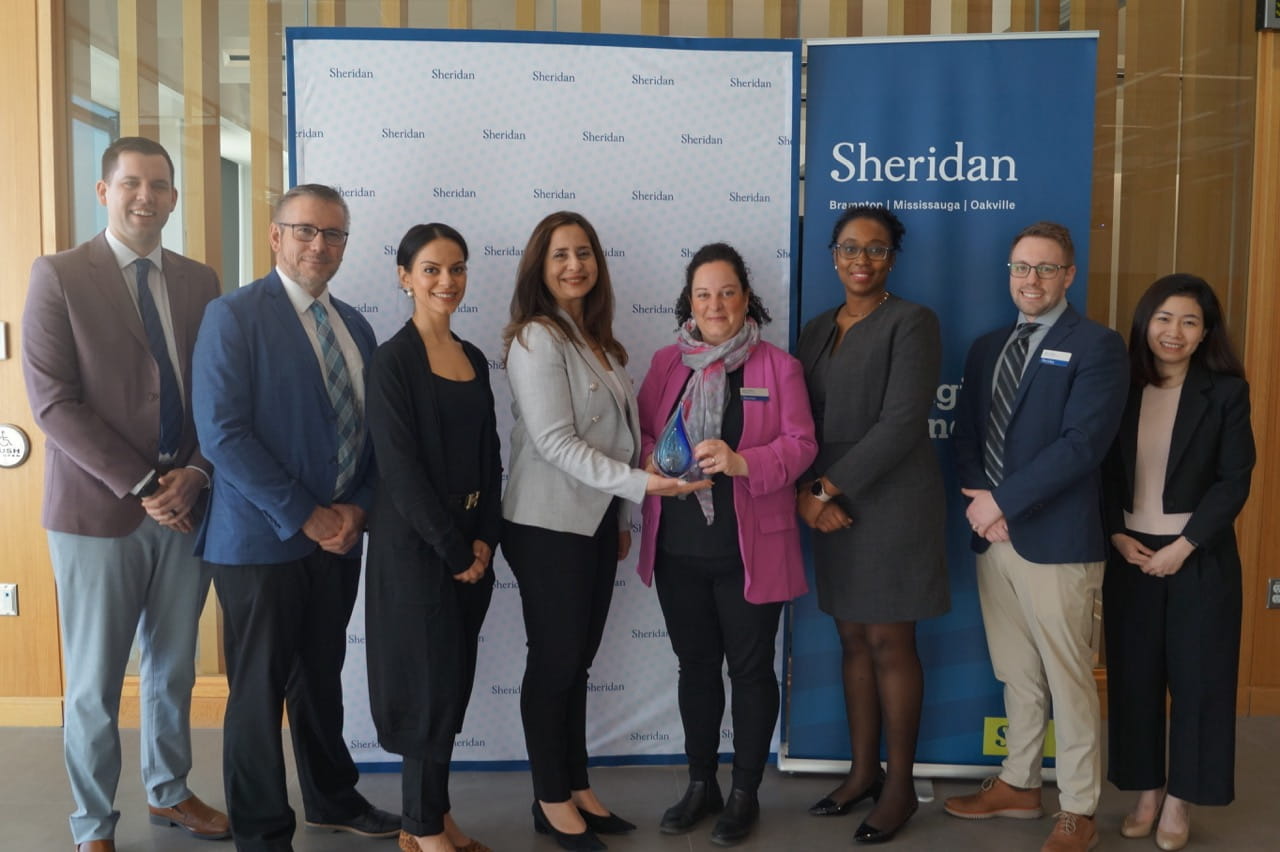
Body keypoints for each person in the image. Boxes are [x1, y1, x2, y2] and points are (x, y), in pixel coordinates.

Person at [21, 136, 230, 852]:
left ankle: (170, 793)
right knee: (95, 685)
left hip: (189, 507)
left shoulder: (202, 281)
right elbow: (51, 403)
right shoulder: (58, 275)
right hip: (97, 511)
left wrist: (196, 474)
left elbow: (218, 393)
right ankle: (92, 824)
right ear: (104, 191)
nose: (147, 196)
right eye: (132, 183)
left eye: (160, 186)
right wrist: (145, 485)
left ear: (174, 197)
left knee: (174, 669)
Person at [191, 184, 399, 851]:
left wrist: (358, 510)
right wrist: (307, 516)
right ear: (276, 235)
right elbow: (223, 434)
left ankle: (331, 798)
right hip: (259, 542)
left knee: (322, 675)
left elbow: (375, 437)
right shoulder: (234, 316)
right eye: (306, 230)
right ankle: (261, 829)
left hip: (339, 539)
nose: (320, 245)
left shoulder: (357, 326)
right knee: (259, 692)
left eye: (334, 234)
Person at [500, 210, 708, 852]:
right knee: (555, 662)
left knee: (577, 665)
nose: (574, 265)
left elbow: (616, 440)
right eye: (560, 254)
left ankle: (578, 786)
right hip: (546, 524)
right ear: (540, 266)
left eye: (584, 253)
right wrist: (643, 490)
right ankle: (549, 798)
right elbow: (557, 444)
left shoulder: (598, 341)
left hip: (592, 523)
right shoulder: (536, 338)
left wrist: (619, 516)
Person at [946, 221, 1129, 852]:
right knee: (1017, 672)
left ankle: (1078, 807)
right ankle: (1020, 785)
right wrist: (984, 506)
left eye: (1046, 269)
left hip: (1056, 539)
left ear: (1069, 275)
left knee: (1069, 674)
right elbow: (967, 436)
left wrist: (1004, 502)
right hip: (991, 533)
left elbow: (1082, 446)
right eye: (1022, 268)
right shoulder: (987, 346)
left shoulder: (1098, 347)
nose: (1032, 280)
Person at [635, 243, 817, 847]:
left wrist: (743, 460)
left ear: (747, 299)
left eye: (727, 292)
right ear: (689, 300)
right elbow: (639, 436)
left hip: (749, 552)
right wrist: (658, 459)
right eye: (703, 293)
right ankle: (700, 784)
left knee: (750, 671)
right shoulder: (666, 363)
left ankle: (744, 793)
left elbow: (802, 446)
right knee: (695, 669)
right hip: (677, 551)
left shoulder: (777, 367)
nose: (715, 304)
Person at [794, 206, 948, 845]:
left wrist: (825, 488)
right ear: (832, 255)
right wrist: (811, 493)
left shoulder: (912, 322)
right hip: (829, 509)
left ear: (892, 258)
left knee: (890, 644)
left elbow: (902, 422)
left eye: (877, 249)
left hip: (891, 507)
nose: (862, 260)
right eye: (850, 248)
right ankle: (861, 771)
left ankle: (900, 787)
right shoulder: (814, 330)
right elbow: (800, 422)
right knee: (851, 640)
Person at [1101, 274, 1254, 852]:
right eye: (1164, 318)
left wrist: (1184, 545)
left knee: (1199, 682)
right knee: (1136, 678)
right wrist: (1114, 532)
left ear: (1205, 333)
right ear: (1145, 324)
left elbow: (1233, 480)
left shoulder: (1226, 392)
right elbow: (1103, 472)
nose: (1174, 331)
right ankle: (1146, 790)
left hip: (1199, 557)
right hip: (1131, 554)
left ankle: (1181, 799)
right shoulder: (1121, 387)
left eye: (1189, 322)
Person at [364, 224, 500, 852]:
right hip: (418, 550)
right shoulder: (391, 361)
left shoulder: (472, 356)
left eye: (458, 269)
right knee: (424, 688)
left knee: (450, 686)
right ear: (404, 276)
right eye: (431, 270)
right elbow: (399, 470)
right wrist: (453, 550)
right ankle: (418, 828)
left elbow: (492, 454)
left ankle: (434, 817)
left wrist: (485, 542)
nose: (447, 281)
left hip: (471, 545)